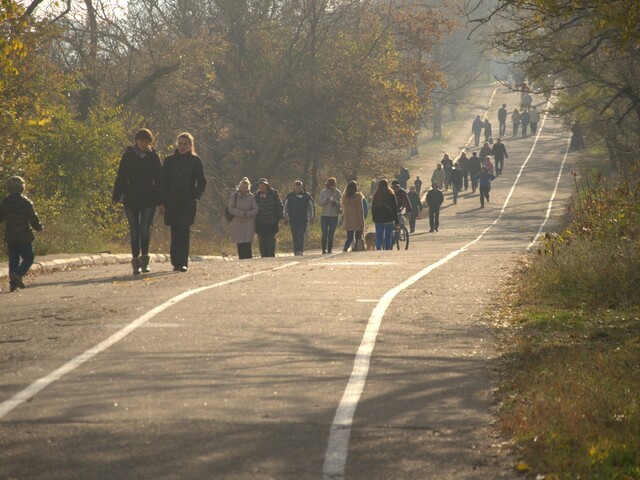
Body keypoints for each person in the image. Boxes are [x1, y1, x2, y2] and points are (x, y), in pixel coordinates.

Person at [112, 128, 163, 275]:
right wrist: (116, 196)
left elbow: (159, 180)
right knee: (134, 231)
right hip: (131, 198)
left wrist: (160, 201)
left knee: (144, 230)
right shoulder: (128, 156)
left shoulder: (153, 157)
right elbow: (121, 177)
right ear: (136, 141)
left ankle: (145, 260)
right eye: (141, 140)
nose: (143, 143)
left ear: (150, 142)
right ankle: (135, 261)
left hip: (148, 198)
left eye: (146, 141)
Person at [161, 132, 207, 272]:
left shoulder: (195, 161)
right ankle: (175, 261)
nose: (182, 147)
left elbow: (202, 182)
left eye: (185, 144)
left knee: (184, 231)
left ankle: (183, 262)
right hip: (172, 202)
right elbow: (163, 182)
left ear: (190, 146)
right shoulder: (169, 161)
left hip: (188, 203)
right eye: (180, 144)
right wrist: (162, 201)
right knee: (175, 232)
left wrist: (195, 195)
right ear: (177, 144)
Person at [0, 176, 43, 291]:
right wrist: (39, 227)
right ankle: (18, 274)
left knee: (13, 260)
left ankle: (13, 284)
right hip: (24, 235)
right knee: (29, 257)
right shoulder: (26, 202)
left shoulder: (5, 202)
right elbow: (33, 218)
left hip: (10, 235)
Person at [228, 177, 259, 260]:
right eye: (243, 188)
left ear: (248, 188)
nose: (244, 189)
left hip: (249, 222)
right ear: (239, 187)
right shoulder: (234, 196)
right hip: (237, 222)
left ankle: (248, 259)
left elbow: (256, 209)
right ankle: (241, 259)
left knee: (247, 242)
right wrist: (240, 213)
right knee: (240, 242)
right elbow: (230, 208)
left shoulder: (251, 197)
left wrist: (247, 214)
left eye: (246, 188)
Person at [254, 178, 284, 258]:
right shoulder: (256, 196)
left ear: (267, 186)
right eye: (259, 186)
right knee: (262, 244)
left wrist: (280, 216)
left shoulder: (273, 193)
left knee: (270, 243)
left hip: (272, 223)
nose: (261, 187)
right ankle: (264, 259)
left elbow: (279, 205)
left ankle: (271, 259)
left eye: (263, 185)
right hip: (260, 224)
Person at [283, 180, 314, 256]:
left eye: (299, 188)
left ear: (302, 187)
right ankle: (296, 251)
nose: (298, 189)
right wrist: (284, 216)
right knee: (295, 235)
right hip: (292, 219)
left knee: (300, 234)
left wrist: (312, 217)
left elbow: (311, 207)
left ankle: (300, 250)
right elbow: (285, 207)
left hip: (303, 219)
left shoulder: (307, 196)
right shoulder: (289, 196)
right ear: (294, 187)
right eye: (296, 188)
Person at [371, 179, 398, 250]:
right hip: (389, 219)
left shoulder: (376, 195)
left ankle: (378, 249)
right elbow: (394, 209)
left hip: (379, 220)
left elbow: (373, 209)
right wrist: (397, 221)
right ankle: (387, 250)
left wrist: (374, 218)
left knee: (379, 237)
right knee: (388, 237)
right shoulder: (391, 195)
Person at [317, 177, 342, 254]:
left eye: (334, 185)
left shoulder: (338, 192)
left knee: (331, 233)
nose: (333, 186)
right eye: (332, 185)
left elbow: (341, 203)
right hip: (325, 215)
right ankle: (323, 249)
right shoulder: (323, 192)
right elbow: (319, 203)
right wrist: (326, 200)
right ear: (328, 185)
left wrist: (336, 201)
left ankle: (330, 250)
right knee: (324, 233)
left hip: (334, 216)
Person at [340, 181, 365, 252]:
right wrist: (362, 224)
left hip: (348, 219)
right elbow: (360, 211)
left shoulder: (344, 198)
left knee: (349, 238)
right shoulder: (358, 197)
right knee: (358, 237)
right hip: (357, 219)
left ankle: (345, 248)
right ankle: (357, 249)